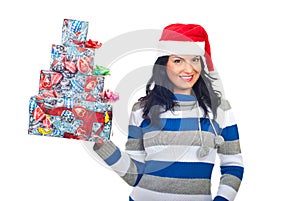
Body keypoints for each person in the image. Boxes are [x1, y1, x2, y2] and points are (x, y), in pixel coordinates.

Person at [93, 23, 244, 201]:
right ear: (164, 64)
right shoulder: (141, 110)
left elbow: (233, 165)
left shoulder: (219, 110)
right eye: (178, 60)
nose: (189, 69)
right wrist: (102, 144)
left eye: (195, 59)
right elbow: (134, 175)